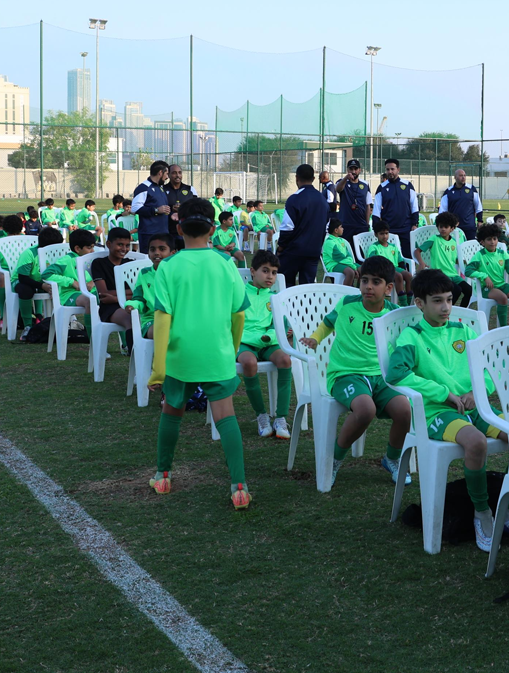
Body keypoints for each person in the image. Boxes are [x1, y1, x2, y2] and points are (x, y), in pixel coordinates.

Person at [385, 268, 509, 550]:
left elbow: (492, 367)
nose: (446, 307)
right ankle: (482, 512)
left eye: (449, 300)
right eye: (437, 301)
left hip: (474, 406)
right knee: (476, 442)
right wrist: (444, 394)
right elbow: (395, 374)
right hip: (435, 413)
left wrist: (476, 393)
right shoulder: (411, 337)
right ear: (420, 303)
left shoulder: (463, 330)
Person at [147, 196, 253, 509]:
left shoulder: (168, 266)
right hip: (217, 354)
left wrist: (158, 368)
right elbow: (240, 315)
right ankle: (239, 488)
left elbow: (162, 319)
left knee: (172, 413)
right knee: (226, 417)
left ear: (178, 227)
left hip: (180, 357)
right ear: (212, 230)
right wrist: (230, 350)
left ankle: (163, 475)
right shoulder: (226, 263)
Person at [302, 255, 410, 485]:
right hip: (345, 374)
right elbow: (328, 324)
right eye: (365, 281)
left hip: (381, 377)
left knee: (404, 410)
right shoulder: (347, 304)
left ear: (389, 288)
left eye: (376, 282)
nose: (368, 286)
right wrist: (315, 338)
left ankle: (391, 458)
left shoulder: (393, 313)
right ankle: (334, 458)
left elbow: (404, 344)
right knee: (365, 409)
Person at [237, 250, 295, 440]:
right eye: (265, 271)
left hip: (268, 342)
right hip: (245, 342)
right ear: (253, 271)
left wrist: (269, 337)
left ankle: (280, 418)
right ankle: (261, 416)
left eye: (274, 272)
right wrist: (256, 339)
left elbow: (280, 324)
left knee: (285, 360)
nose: (270, 276)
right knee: (249, 363)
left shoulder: (275, 297)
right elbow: (234, 322)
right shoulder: (240, 292)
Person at [276, 163, 329, 288]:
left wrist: (281, 248)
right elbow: (325, 226)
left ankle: (287, 308)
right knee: (307, 289)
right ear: (314, 179)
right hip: (313, 251)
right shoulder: (322, 199)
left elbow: (287, 228)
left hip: (294, 251)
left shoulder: (294, 199)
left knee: (286, 285)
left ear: (296, 178)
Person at [465, 223, 509, 325]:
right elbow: (468, 271)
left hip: (502, 285)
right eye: (489, 239)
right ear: (482, 242)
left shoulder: (502, 253)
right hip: (487, 288)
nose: (492, 242)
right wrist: (484, 276)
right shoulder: (479, 255)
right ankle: (503, 329)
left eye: (494, 239)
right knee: (503, 298)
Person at [414, 211, 472, 307]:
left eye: (446, 227)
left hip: (453, 274)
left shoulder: (453, 242)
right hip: (440, 274)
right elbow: (417, 251)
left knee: (469, 290)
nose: (443, 229)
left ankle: (460, 312)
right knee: (456, 290)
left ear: (452, 229)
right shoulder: (434, 239)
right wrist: (421, 263)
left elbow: (452, 259)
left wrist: (462, 261)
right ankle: (446, 311)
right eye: (441, 227)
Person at [125, 232, 174, 340]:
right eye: (152, 250)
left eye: (162, 249)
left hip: (176, 318)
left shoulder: (178, 273)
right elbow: (139, 298)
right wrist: (133, 305)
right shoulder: (144, 274)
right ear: (148, 254)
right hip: (152, 319)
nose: (156, 253)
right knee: (162, 331)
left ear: (172, 253)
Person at [89, 227, 137, 335]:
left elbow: (139, 292)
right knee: (131, 318)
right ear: (109, 244)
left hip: (131, 302)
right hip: (110, 308)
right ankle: (132, 351)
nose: (124, 248)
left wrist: (115, 297)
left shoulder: (131, 263)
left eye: (127, 245)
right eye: (120, 244)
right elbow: (104, 294)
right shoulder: (99, 263)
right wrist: (131, 293)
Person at [42, 228, 98, 320]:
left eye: (93, 247)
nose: (93, 251)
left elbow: (100, 275)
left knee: (112, 299)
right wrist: (72, 282)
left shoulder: (92, 259)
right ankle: (91, 334)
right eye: (89, 248)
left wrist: (93, 282)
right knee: (90, 301)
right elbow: (47, 274)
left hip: (91, 291)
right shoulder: (66, 260)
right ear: (77, 249)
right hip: (71, 294)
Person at [376, 158, 420, 258]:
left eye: (392, 169)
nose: (390, 172)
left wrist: (414, 223)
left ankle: (409, 273)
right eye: (387, 169)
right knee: (391, 256)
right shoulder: (381, 187)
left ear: (398, 169)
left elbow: (414, 206)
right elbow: (376, 210)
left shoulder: (408, 185)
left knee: (407, 255)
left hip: (406, 228)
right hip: (389, 229)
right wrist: (377, 227)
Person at [367, 219, 411, 302]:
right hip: (383, 269)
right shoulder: (374, 247)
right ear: (376, 235)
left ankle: (410, 300)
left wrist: (403, 267)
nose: (385, 236)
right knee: (398, 276)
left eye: (386, 233)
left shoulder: (393, 246)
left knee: (409, 276)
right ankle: (403, 302)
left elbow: (400, 259)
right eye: (381, 234)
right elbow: (372, 259)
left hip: (395, 267)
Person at [130, 160, 173, 245]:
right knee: (148, 258)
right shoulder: (144, 187)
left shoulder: (160, 187)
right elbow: (135, 208)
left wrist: (171, 213)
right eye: (166, 174)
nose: (167, 177)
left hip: (163, 232)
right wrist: (156, 210)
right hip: (149, 234)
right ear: (160, 172)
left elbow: (161, 208)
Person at [438, 168, 483, 241]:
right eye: (461, 175)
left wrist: (480, 221)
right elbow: (443, 210)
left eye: (464, 175)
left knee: (470, 248)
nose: (463, 177)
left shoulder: (471, 189)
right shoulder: (448, 191)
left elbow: (478, 206)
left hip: (469, 226)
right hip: (453, 227)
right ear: (455, 177)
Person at [336, 158, 374, 245]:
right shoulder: (342, 181)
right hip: (346, 224)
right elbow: (338, 189)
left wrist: (367, 223)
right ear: (347, 170)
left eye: (355, 169)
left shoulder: (365, 184)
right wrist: (346, 178)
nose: (353, 171)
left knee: (360, 251)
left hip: (361, 224)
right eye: (351, 169)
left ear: (359, 170)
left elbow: (368, 205)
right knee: (346, 249)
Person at [322, 217, 359, 285]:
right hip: (333, 264)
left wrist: (352, 265)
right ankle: (344, 293)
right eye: (341, 227)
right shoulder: (329, 242)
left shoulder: (341, 240)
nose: (343, 229)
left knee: (362, 269)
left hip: (343, 263)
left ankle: (359, 292)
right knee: (350, 272)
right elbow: (339, 258)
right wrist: (353, 266)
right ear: (336, 230)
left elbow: (347, 255)